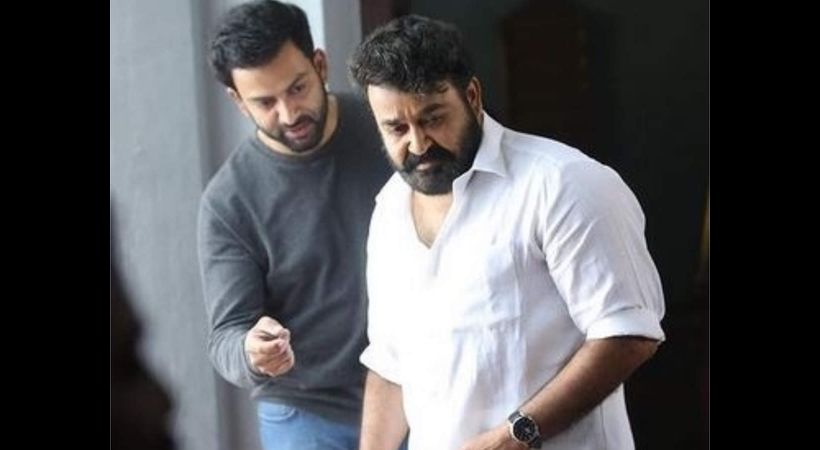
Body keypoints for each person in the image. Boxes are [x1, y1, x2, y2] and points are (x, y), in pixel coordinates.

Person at [349, 15, 666, 450]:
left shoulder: (562, 183)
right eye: (397, 128)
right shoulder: (389, 209)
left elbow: (628, 335)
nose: (418, 144)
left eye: (433, 118)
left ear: (472, 97)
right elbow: (390, 364)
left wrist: (514, 436)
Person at [198, 1, 391, 449]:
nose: (288, 114)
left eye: (297, 88)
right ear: (238, 101)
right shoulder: (228, 202)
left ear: (320, 65)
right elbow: (227, 335)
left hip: (414, 387)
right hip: (305, 409)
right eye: (265, 102)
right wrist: (253, 351)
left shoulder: (388, 128)